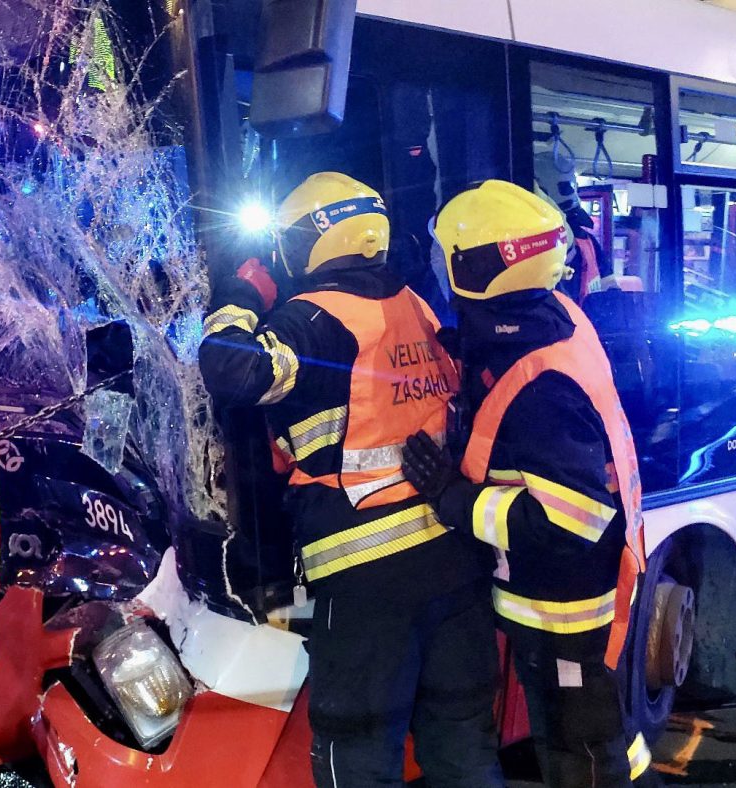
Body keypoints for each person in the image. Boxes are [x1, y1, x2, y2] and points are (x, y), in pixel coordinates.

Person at [199, 172, 503, 788]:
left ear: (313, 239)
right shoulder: (416, 306)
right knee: (463, 753)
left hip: (366, 585)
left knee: (358, 758)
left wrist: (241, 294)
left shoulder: (313, 319)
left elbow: (230, 368)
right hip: (455, 563)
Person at [403, 179, 655, 787]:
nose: (439, 267)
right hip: (560, 602)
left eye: (447, 257)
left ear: (479, 268)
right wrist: (467, 343)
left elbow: (570, 520)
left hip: (564, 612)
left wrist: (453, 500)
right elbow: (512, 342)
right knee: (599, 739)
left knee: (581, 755)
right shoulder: (554, 312)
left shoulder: (543, 388)